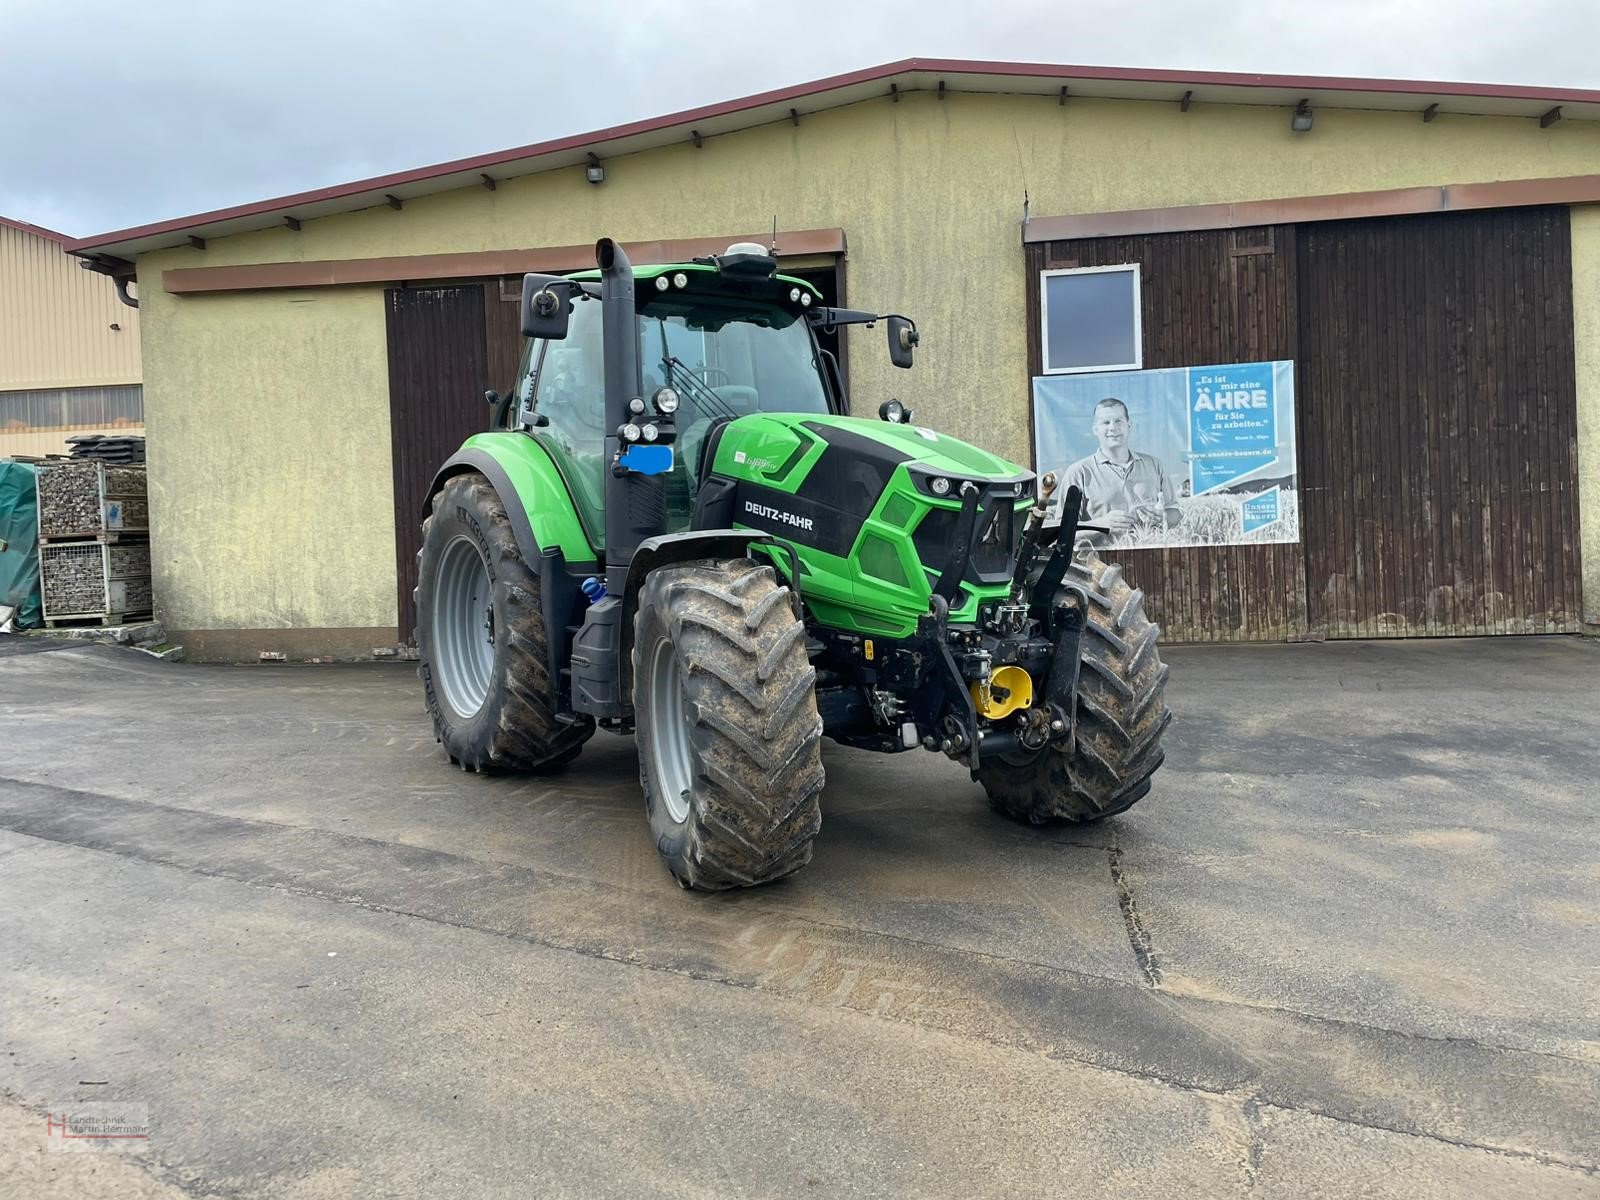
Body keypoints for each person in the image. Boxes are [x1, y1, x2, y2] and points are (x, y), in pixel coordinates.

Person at [1060, 397, 1180, 543]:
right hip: (1099, 563)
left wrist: (1163, 516)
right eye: (1105, 422)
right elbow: (1061, 533)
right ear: (1095, 429)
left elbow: (1176, 512)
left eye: (1118, 421)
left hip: (1151, 559)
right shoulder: (1079, 473)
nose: (1112, 427)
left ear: (1129, 425)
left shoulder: (1154, 465)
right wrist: (1100, 525)